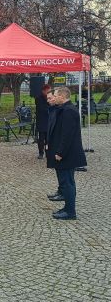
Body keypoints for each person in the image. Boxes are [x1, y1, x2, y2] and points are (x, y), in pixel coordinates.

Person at [46, 87, 86, 220]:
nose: (54, 97)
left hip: (66, 155)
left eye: (56, 96)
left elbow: (67, 135)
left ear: (62, 97)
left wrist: (60, 152)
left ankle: (70, 212)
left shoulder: (68, 111)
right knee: (67, 182)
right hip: (66, 154)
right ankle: (68, 207)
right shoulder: (65, 109)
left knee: (67, 182)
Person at [34, 84, 51, 159]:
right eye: (48, 91)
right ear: (44, 91)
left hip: (48, 121)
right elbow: (42, 109)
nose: (49, 92)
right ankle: (41, 152)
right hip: (41, 121)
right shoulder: (38, 98)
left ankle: (48, 152)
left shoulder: (49, 97)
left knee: (48, 139)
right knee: (41, 139)